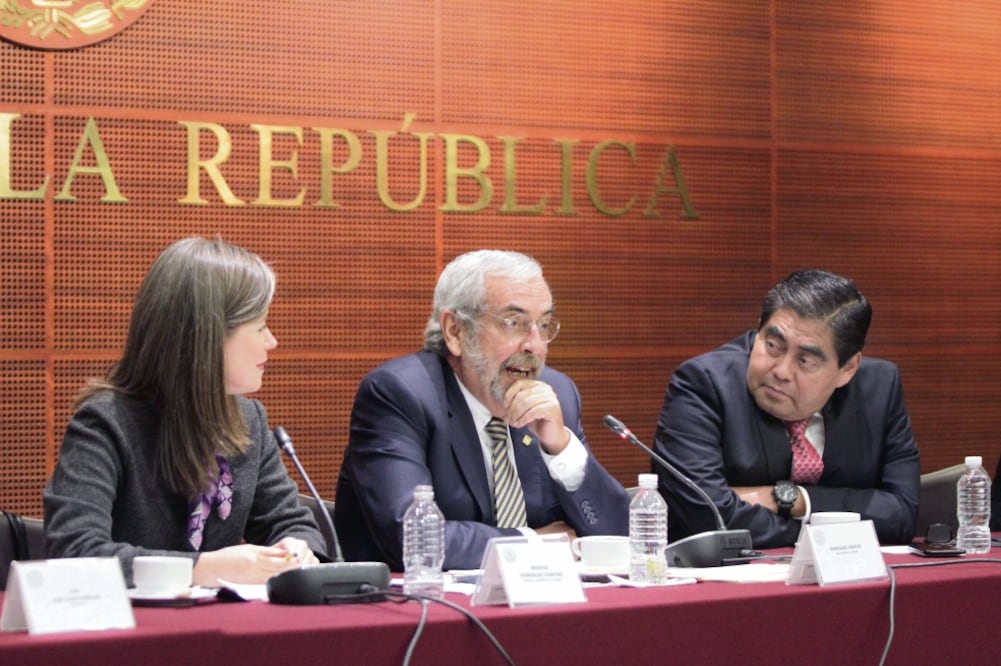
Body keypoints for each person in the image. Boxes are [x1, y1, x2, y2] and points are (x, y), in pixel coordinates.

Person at [44, 237, 326, 587]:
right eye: (260, 326)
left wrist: (295, 549)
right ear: (208, 338)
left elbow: (292, 524)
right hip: (124, 632)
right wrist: (202, 569)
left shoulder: (248, 420)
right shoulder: (106, 422)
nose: (272, 342)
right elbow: (75, 553)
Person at [334, 249, 630, 571]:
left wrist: (560, 448)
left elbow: (619, 538)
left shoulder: (556, 396)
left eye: (543, 325)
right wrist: (535, 544)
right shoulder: (402, 394)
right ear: (456, 331)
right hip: (420, 611)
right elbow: (413, 537)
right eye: (514, 323)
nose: (534, 345)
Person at [653, 269, 920, 548]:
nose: (781, 371)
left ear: (848, 369)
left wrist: (793, 499)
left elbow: (901, 515)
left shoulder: (879, 389)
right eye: (772, 345)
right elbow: (709, 518)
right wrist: (829, 536)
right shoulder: (703, 384)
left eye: (805, 361)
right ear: (759, 329)